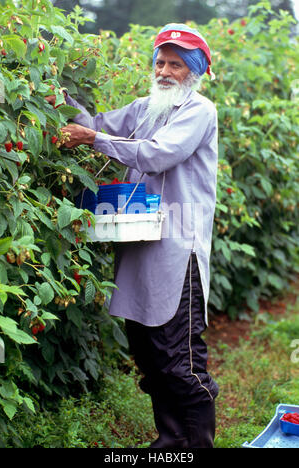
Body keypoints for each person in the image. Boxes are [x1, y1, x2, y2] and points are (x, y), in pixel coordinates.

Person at [55, 23, 219, 448]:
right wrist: (55, 92)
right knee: (150, 357)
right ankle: (170, 442)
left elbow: (158, 154)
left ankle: (196, 444)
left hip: (176, 254)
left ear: (195, 71)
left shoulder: (199, 111)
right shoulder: (145, 108)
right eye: (160, 62)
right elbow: (93, 124)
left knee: (180, 360)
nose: (165, 71)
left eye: (177, 65)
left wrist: (94, 138)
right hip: (139, 246)